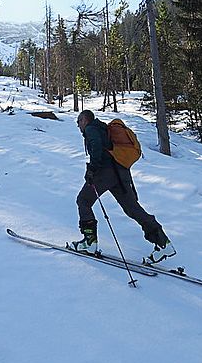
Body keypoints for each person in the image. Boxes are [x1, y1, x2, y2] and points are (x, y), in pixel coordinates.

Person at [68, 109, 176, 264]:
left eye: (78, 122)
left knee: (83, 200)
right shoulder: (103, 128)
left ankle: (89, 242)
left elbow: (97, 147)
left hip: (105, 172)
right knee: (132, 208)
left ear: (84, 120)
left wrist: (92, 169)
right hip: (121, 173)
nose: (78, 126)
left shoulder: (91, 128)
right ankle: (162, 242)